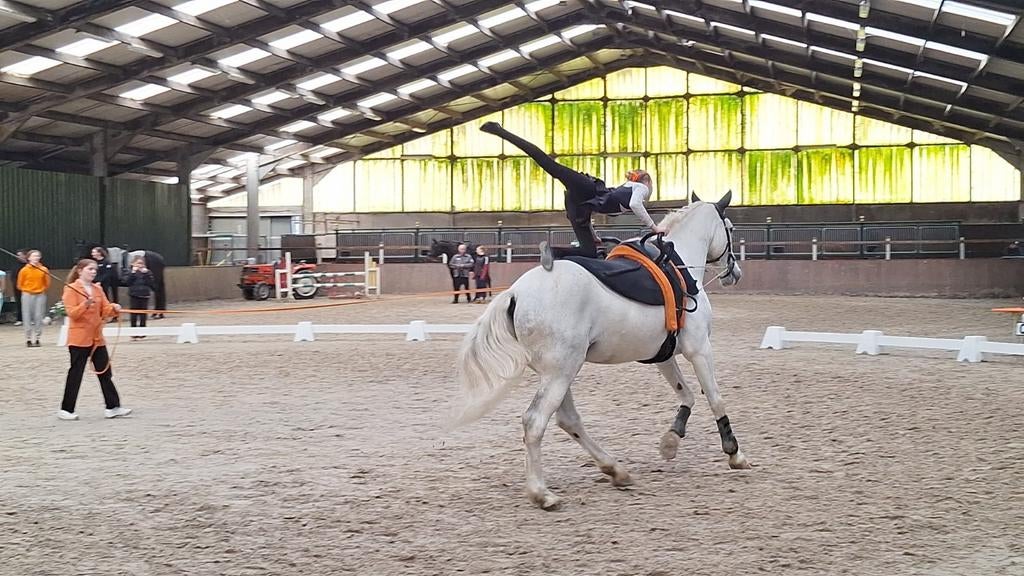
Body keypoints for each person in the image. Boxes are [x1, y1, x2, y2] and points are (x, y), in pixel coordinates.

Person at [479, 121, 665, 265]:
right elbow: (635, 205)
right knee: (548, 164)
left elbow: (595, 207)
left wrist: (593, 235)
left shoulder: (626, 190)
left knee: (589, 251)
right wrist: (654, 228)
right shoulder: (640, 188)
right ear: (646, 180)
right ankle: (499, 130)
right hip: (586, 189)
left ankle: (552, 252)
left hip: (579, 204)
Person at [58, 258, 131, 421]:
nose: (93, 272)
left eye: (95, 270)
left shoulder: (97, 289)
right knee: (75, 373)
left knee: (105, 371)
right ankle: (66, 409)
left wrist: (114, 308)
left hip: (97, 338)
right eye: (90, 269)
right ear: (80, 270)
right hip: (79, 338)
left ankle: (112, 406)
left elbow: (104, 309)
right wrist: (85, 304)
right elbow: (72, 314)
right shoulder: (71, 289)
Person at [16, 250, 50, 348]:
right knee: (26, 315)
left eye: (38, 256)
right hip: (27, 294)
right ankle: (28, 338)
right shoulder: (24, 270)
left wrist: (41, 289)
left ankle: (38, 337)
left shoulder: (44, 269)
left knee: (39, 315)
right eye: (34, 256)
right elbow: (19, 283)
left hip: (40, 294)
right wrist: (27, 290)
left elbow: (47, 282)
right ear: (29, 258)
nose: (36, 258)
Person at [122, 255, 155, 339]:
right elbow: (127, 282)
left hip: (144, 294)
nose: (139, 265)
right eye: (137, 263)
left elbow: (151, 284)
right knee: (133, 314)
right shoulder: (129, 272)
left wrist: (146, 274)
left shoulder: (148, 272)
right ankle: (133, 332)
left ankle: (142, 331)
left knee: (143, 314)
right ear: (133, 263)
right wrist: (133, 273)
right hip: (134, 294)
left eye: (141, 263)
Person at [9, 249, 26, 326]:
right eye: (17, 255)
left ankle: (30, 319)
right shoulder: (15, 265)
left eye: (20, 255)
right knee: (19, 303)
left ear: (25, 255)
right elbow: (13, 277)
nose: (18, 256)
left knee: (29, 304)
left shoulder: (29, 265)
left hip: (29, 288)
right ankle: (20, 319)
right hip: (18, 288)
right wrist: (17, 285)